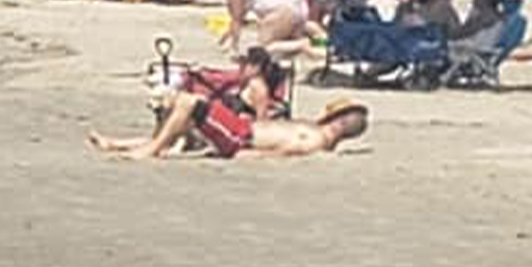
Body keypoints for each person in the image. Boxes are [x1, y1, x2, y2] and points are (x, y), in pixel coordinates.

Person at [89, 93, 368, 160]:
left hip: (239, 137)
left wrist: (248, 155)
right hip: (240, 129)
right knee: (179, 108)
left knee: (189, 103)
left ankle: (150, 151)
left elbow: (284, 151)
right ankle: (117, 144)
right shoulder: (314, 132)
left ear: (340, 122)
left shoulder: (314, 140)